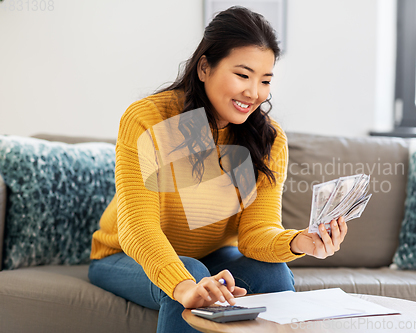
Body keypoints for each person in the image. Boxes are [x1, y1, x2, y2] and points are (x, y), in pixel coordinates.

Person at [88, 6, 348, 333]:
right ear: (204, 68)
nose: (254, 92)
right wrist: (184, 286)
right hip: (124, 255)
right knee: (193, 275)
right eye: (243, 75)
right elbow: (138, 226)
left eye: (265, 80)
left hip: (211, 256)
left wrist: (300, 241)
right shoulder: (149, 120)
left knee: (274, 273)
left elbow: (256, 233)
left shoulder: (268, 139)